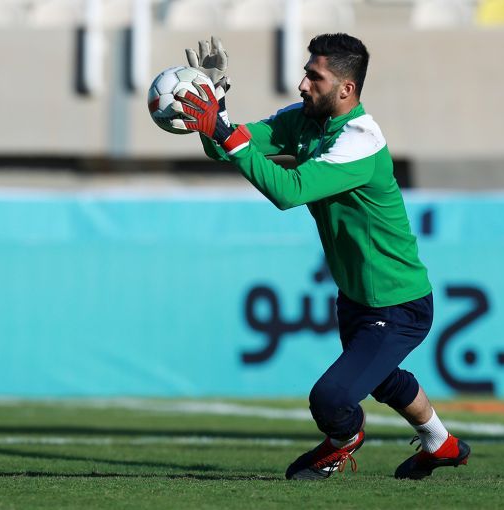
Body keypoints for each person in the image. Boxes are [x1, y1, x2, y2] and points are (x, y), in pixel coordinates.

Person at [173, 33, 470, 481]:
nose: (303, 84)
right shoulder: (303, 121)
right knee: (382, 379)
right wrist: (215, 102)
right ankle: (440, 443)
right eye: (306, 73)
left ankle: (344, 439)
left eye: (315, 77)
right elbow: (226, 147)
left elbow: (288, 191)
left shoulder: (360, 141)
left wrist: (221, 128)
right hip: (355, 298)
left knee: (332, 399)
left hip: (399, 303)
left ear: (346, 89)